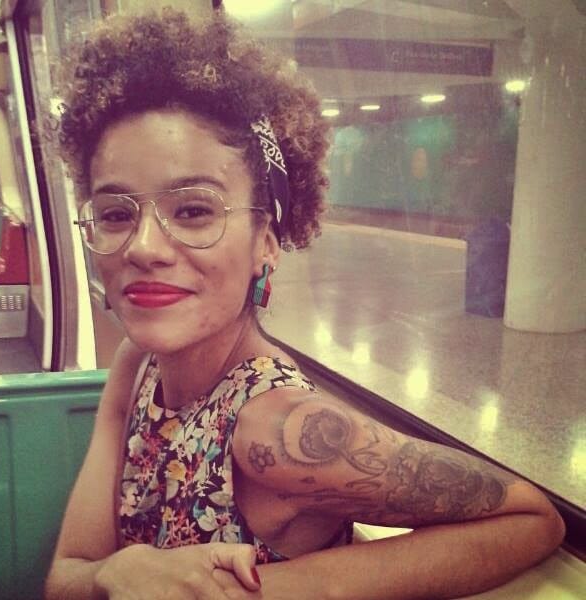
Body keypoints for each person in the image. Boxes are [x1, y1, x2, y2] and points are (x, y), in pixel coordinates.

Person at [45, 8, 565, 600]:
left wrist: (262, 590)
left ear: (266, 242)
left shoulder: (281, 431)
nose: (142, 247)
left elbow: (533, 518)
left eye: (192, 211)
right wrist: (116, 573)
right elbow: (65, 577)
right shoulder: (137, 368)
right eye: (116, 213)